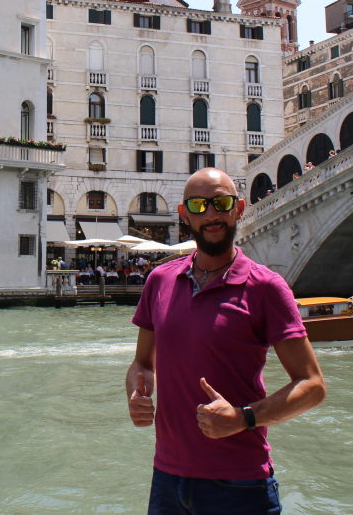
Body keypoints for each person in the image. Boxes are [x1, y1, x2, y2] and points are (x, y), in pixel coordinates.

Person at [126, 168, 326, 514]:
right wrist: (136, 392)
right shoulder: (159, 280)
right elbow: (142, 363)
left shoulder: (266, 287)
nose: (211, 214)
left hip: (240, 484)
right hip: (167, 479)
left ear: (239, 208)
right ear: (184, 214)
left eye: (221, 202)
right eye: (199, 206)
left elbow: (313, 385)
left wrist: (243, 417)